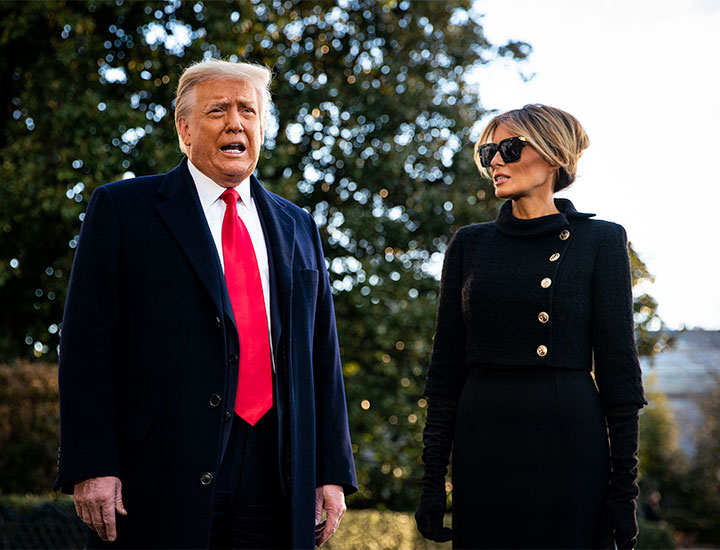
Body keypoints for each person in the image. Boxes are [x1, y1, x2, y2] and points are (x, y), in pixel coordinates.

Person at [54, 59, 357, 549]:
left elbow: (324, 356)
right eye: (218, 110)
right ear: (184, 128)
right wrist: (92, 464)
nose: (236, 122)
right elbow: (87, 346)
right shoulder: (122, 210)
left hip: (277, 469)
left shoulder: (299, 226)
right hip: (157, 471)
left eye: (248, 111)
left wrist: (331, 471)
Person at [414, 104, 646, 549]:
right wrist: (431, 481)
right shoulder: (470, 244)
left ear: (554, 155)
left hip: (567, 441)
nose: (496, 161)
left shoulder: (600, 241)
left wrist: (624, 492)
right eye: (488, 153)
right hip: (483, 441)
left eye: (509, 148)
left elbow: (619, 376)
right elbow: (444, 372)